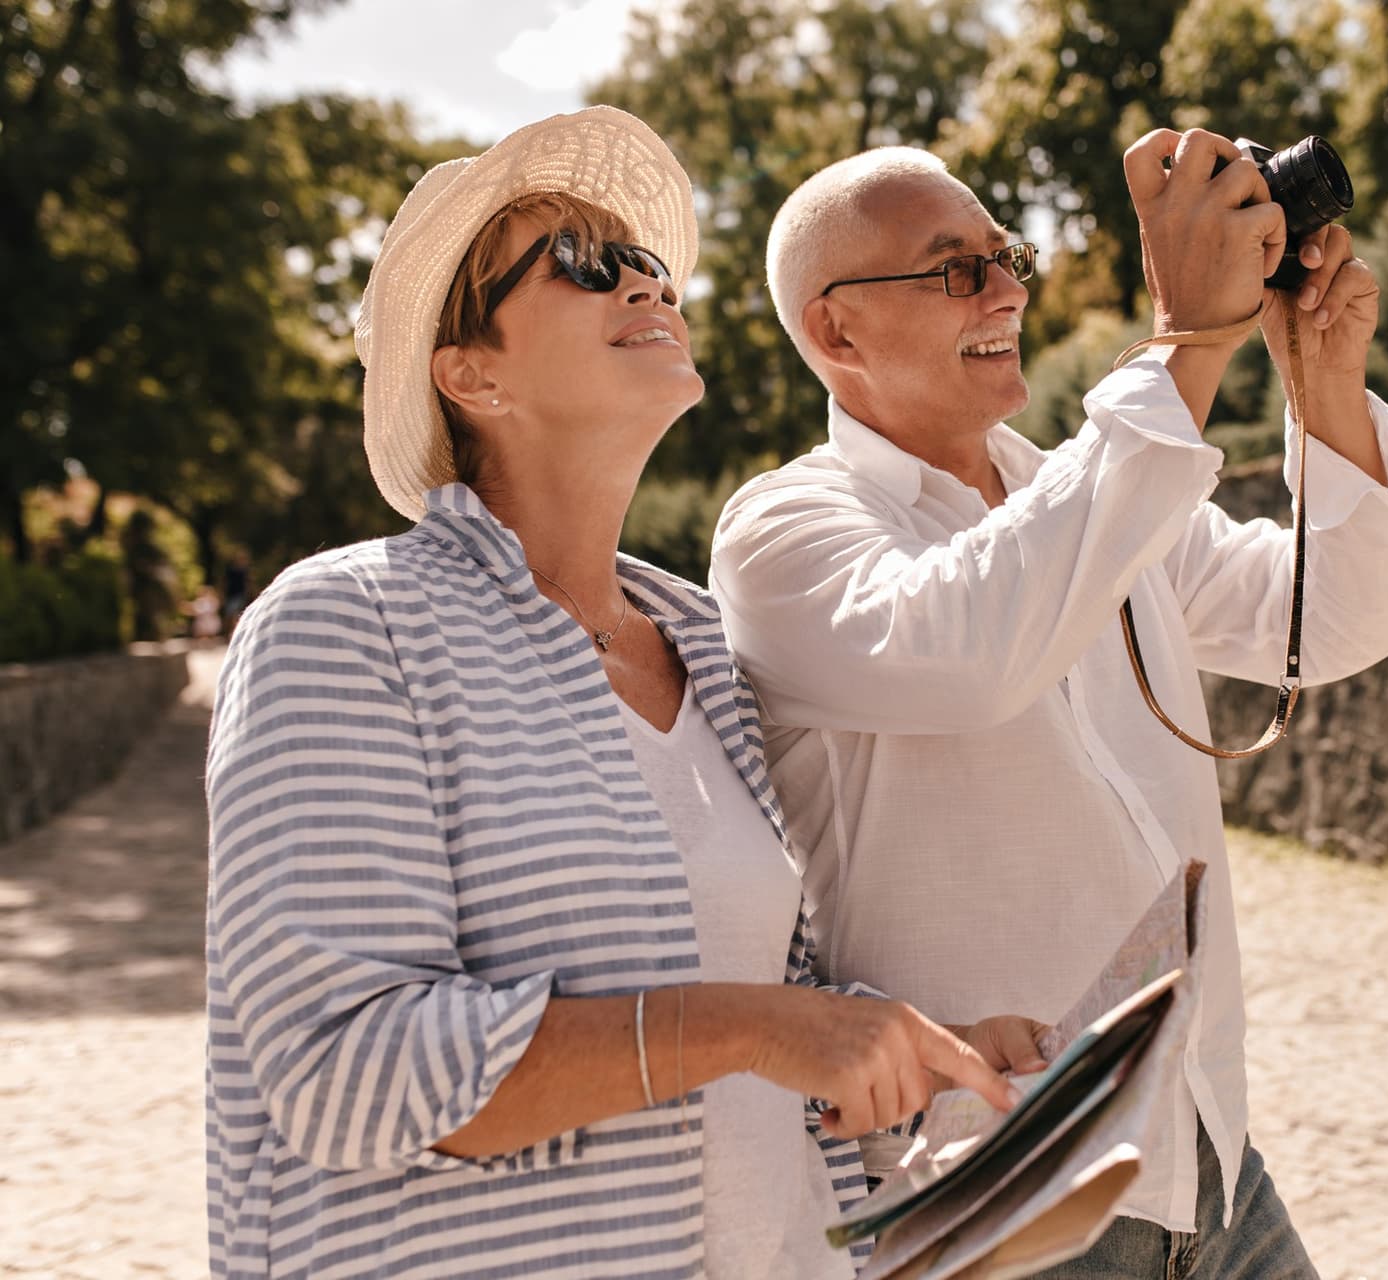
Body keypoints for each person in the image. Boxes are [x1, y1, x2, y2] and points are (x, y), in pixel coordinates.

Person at [203, 107, 1046, 1280]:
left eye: (644, 260)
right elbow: (344, 1069)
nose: (644, 281)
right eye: (581, 262)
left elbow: (758, 1033)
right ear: (472, 373)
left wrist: (906, 1052)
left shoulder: (702, 643)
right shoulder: (348, 624)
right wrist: (759, 1025)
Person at [709, 130, 1388, 1276]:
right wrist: (1187, 340)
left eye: (1005, 257)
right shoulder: (781, 532)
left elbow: (1331, 617)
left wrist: (1325, 387)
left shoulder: (1083, 485)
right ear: (835, 330)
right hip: (1005, 1189)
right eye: (957, 269)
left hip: (1205, 1149)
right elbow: (975, 649)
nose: (1006, 292)